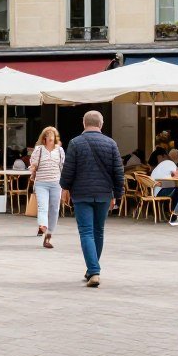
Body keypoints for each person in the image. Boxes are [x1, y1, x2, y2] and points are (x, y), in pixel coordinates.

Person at [60, 110, 124, 288]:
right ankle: (92, 269)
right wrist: (117, 195)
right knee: (99, 231)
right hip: (104, 194)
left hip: (81, 194)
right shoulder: (111, 143)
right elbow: (118, 172)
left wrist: (65, 187)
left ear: (83, 123)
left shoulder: (75, 143)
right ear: (101, 124)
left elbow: (68, 170)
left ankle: (94, 271)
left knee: (86, 232)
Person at [30, 127, 65, 249]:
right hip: (41, 183)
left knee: (54, 209)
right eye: (48, 137)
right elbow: (33, 163)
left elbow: (62, 166)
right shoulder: (38, 150)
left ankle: (48, 235)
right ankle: (43, 225)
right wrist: (33, 168)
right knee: (43, 206)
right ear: (44, 139)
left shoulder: (60, 151)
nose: (50, 140)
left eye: (52, 138)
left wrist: (65, 185)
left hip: (56, 183)